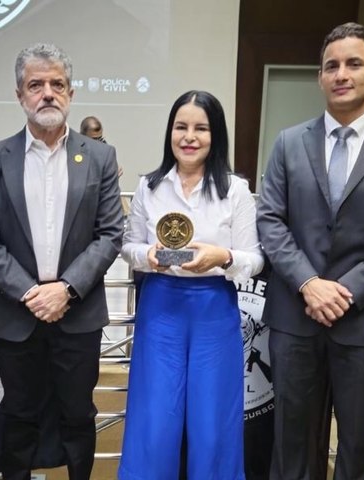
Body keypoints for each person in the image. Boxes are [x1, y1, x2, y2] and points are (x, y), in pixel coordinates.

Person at [256, 22, 364, 480]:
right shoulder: (289, 143)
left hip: (363, 322)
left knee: (355, 444)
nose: (341, 74)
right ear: (320, 77)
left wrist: (346, 290)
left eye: (354, 64)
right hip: (295, 318)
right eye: (331, 66)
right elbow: (270, 220)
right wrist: (309, 283)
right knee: (292, 440)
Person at [0, 43, 123, 480]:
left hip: (78, 313)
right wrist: (32, 294)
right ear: (20, 95)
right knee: (19, 417)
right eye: (36, 85)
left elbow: (110, 234)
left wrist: (66, 290)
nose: (48, 93)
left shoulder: (100, 157)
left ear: (71, 92)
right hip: (17, 313)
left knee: (78, 415)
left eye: (57, 84)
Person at [118, 90, 264, 479]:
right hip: (160, 307)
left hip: (213, 309)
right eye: (181, 127)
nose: (189, 137)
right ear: (170, 132)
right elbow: (128, 246)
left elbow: (254, 259)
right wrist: (146, 255)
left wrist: (223, 257)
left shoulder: (235, 190)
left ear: (216, 135)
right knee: (154, 420)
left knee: (213, 423)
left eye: (201, 128)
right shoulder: (149, 186)